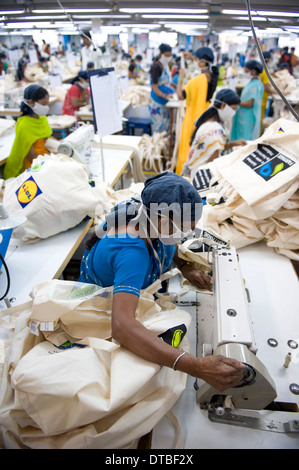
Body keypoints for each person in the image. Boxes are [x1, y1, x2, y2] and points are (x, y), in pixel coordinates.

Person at [78, 171, 245, 391]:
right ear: (163, 221)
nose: (185, 234)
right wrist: (196, 366)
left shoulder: (149, 217)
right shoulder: (131, 252)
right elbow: (122, 326)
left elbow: (169, 242)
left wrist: (185, 267)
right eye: (184, 228)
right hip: (101, 310)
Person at [182, 89, 247, 178]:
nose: (233, 112)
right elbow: (214, 162)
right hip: (202, 177)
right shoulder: (214, 130)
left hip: (196, 172)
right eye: (233, 109)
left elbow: (215, 148)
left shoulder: (210, 123)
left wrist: (233, 144)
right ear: (223, 105)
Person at [175, 47, 219, 175]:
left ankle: (184, 176)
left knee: (189, 148)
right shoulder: (211, 77)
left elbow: (180, 96)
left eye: (196, 59)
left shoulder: (198, 80)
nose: (195, 61)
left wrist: (180, 78)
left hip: (193, 117)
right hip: (205, 117)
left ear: (203, 62)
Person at [3, 85, 52, 179]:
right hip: (35, 165)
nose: (46, 107)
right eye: (43, 104)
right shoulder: (24, 124)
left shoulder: (42, 118)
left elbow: (47, 139)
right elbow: (31, 157)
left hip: (46, 158)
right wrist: (52, 158)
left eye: (47, 103)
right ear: (31, 102)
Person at [230, 60, 264, 142]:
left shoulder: (256, 85)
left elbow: (250, 103)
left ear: (254, 71)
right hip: (243, 116)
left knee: (245, 138)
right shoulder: (252, 83)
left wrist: (236, 102)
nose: (245, 73)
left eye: (246, 71)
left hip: (248, 118)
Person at [148, 43, 174, 134]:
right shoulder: (156, 68)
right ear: (160, 54)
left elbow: (166, 82)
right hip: (157, 102)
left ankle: (164, 147)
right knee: (158, 129)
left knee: (165, 129)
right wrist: (165, 96)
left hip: (164, 101)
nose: (168, 57)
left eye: (169, 56)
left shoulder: (164, 66)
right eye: (166, 55)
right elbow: (155, 88)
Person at [260, 52, 275, 125]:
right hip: (262, 99)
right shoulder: (265, 71)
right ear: (268, 59)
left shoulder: (260, 68)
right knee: (259, 121)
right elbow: (267, 88)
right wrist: (278, 93)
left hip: (259, 98)